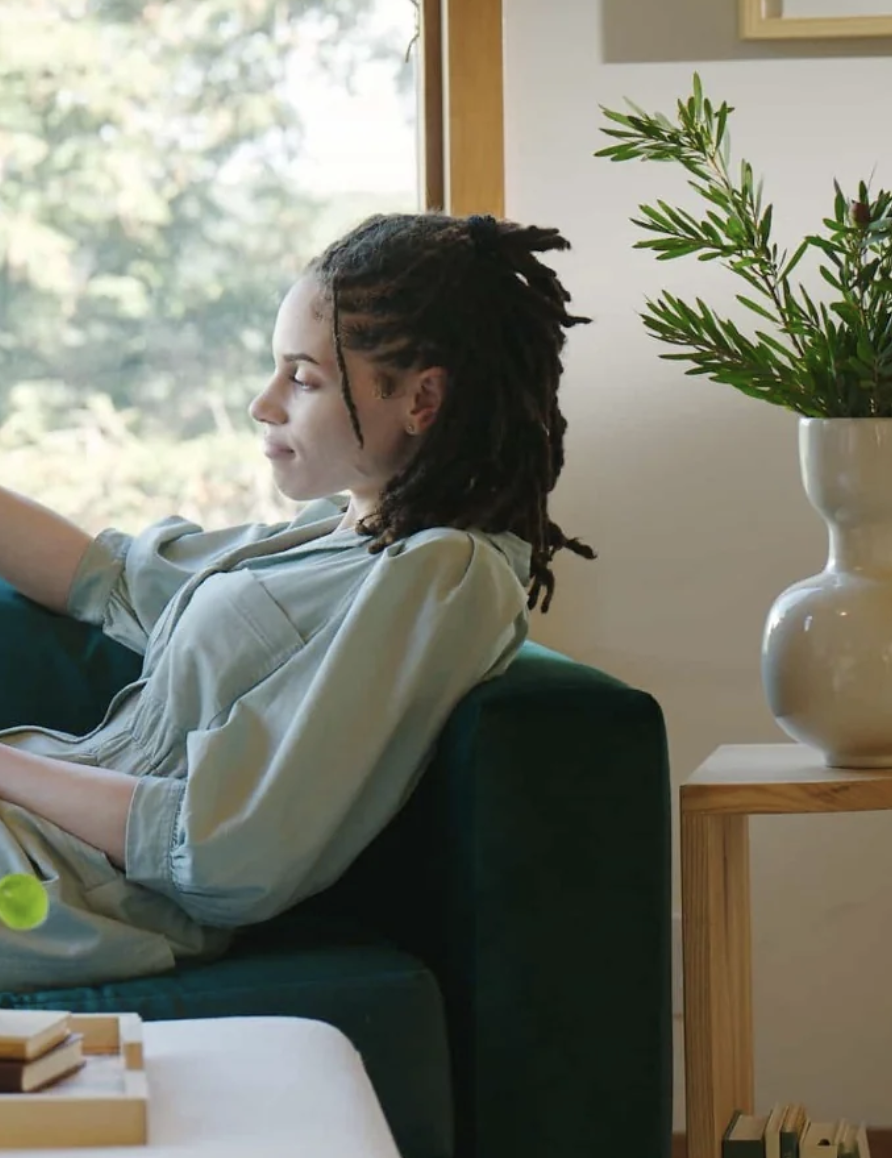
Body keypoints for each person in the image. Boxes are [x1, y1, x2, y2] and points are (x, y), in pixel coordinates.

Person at [0, 211, 593, 989]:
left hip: (65, 893)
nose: (264, 403)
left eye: (303, 378)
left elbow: (226, 855)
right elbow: (107, 580)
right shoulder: (330, 536)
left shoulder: (445, 578)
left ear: (421, 399)